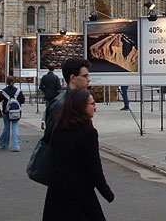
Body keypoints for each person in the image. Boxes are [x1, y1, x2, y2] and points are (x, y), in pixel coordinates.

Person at [42, 90, 114, 220]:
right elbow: (94, 167)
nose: (95, 107)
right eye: (92, 103)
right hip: (79, 191)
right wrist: (106, 192)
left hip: (57, 189)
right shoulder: (87, 132)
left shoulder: (59, 126)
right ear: (81, 106)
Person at [42, 57, 91, 142]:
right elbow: (50, 139)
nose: (88, 79)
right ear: (73, 78)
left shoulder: (79, 100)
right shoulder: (61, 104)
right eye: (84, 76)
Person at [0, 77, 26, 152]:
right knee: (15, 127)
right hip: (16, 111)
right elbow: (23, 100)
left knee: (6, 128)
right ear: (14, 82)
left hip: (6, 111)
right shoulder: (18, 91)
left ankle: (4, 144)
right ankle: (16, 145)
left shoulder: (3, 92)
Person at [39, 62, 61, 129]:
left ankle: (44, 120)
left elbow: (41, 86)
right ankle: (52, 121)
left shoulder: (45, 77)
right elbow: (58, 87)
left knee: (47, 108)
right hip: (54, 96)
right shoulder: (55, 77)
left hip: (47, 95)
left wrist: (45, 91)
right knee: (54, 109)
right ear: (54, 69)